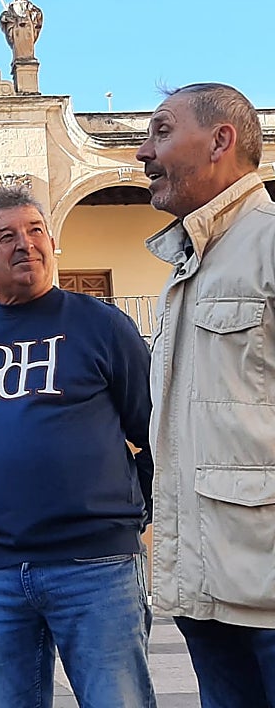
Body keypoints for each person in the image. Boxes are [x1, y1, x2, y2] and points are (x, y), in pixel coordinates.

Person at [0, 187, 156, 708]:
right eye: (6, 236)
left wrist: (126, 515)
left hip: (97, 565)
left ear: (53, 244)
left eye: (36, 231)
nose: (25, 244)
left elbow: (151, 432)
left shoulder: (102, 326)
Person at [136, 83, 275, 706]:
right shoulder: (189, 268)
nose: (144, 152)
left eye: (162, 131)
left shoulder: (267, 245)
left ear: (221, 141)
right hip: (207, 591)